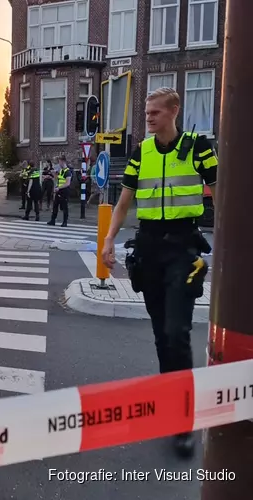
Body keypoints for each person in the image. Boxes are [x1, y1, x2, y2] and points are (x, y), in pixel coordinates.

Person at [100, 87, 217, 458]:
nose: (148, 118)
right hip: (149, 249)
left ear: (173, 112)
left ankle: (183, 421)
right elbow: (123, 203)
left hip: (183, 248)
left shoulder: (199, 148)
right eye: (146, 113)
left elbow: (222, 192)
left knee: (176, 333)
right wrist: (108, 241)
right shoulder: (141, 152)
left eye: (154, 113)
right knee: (160, 335)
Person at [47, 155, 71, 227]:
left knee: (64, 207)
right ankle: (53, 220)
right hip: (59, 190)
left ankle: (65, 222)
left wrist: (59, 188)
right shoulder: (61, 171)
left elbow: (67, 183)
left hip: (64, 191)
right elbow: (58, 179)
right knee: (55, 205)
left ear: (63, 161)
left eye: (59, 162)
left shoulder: (68, 172)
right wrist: (54, 174)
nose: (59, 163)